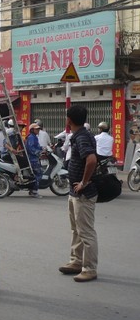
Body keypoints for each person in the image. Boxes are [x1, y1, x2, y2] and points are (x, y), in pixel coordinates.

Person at [58, 105, 99, 282]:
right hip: (74, 193)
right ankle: (76, 261)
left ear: (69, 120)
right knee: (76, 229)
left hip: (83, 193)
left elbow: (91, 160)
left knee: (86, 231)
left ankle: (89, 268)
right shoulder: (80, 135)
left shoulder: (82, 137)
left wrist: (83, 182)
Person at [25, 123, 43, 198]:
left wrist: (42, 149)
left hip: (34, 158)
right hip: (33, 159)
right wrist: (38, 152)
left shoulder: (34, 137)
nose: (38, 130)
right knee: (38, 174)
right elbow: (31, 148)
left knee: (35, 174)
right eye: (36, 129)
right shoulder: (32, 137)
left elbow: (37, 147)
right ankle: (34, 191)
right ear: (32, 130)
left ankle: (32, 190)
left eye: (38, 129)